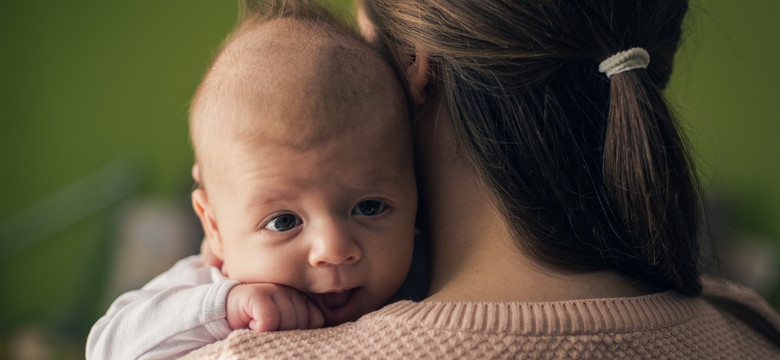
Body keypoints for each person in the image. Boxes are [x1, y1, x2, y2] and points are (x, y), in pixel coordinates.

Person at [183, 0, 780, 358]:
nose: (332, 248)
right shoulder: (754, 328)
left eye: (366, 37)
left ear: (416, 59)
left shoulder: (249, 347)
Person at [85, 1, 419, 359]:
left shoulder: (434, 272)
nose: (333, 250)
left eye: (369, 207)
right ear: (213, 227)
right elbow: (105, 348)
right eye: (283, 221)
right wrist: (224, 309)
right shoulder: (208, 284)